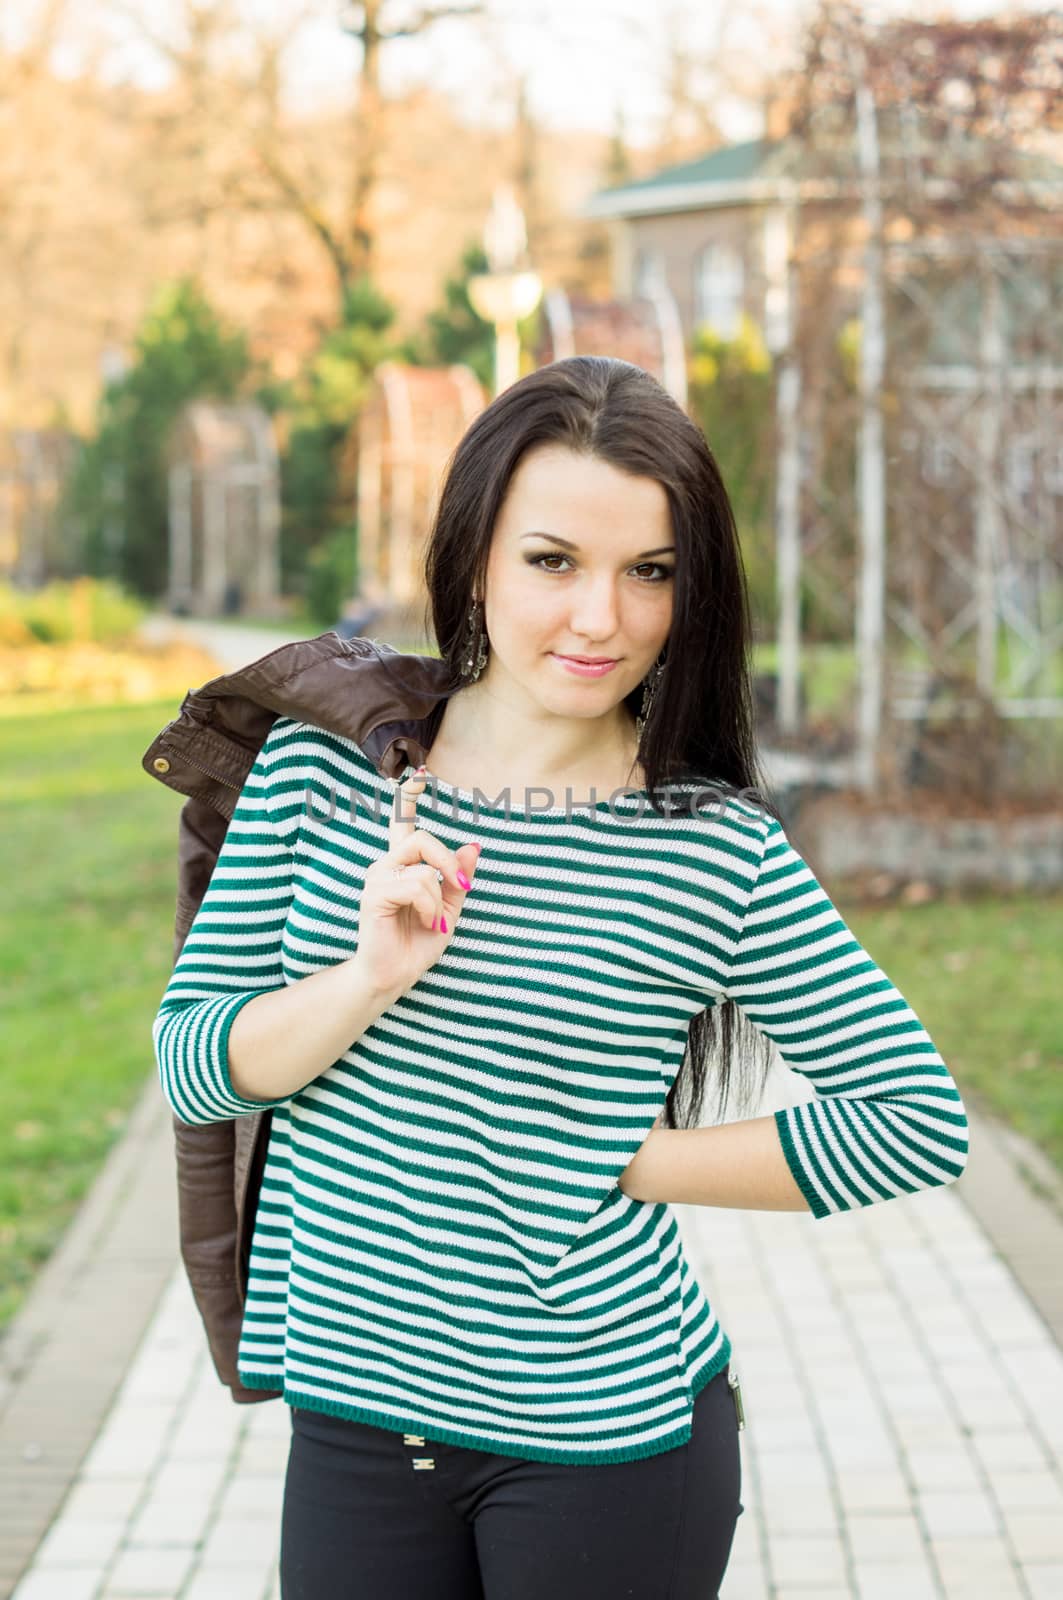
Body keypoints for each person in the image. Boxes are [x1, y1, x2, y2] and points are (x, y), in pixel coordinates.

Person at [151, 356, 969, 1599]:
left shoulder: (712, 845)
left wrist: (620, 1158)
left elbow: (913, 1125)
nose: (603, 618)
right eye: (553, 561)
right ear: (474, 550)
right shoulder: (320, 777)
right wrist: (366, 976)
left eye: (651, 573)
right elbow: (193, 1064)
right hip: (354, 1423)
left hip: (605, 1446)